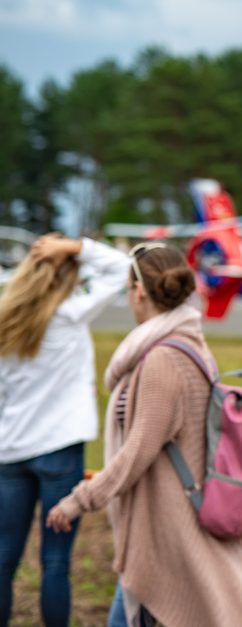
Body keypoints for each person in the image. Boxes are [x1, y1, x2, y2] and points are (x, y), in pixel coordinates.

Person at [45, 243, 242, 626]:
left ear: (138, 291)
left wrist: (80, 500)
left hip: (169, 530)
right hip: (167, 525)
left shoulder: (162, 360)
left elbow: (137, 451)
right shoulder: (188, 345)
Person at [0, 234, 129, 627]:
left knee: (4, 559)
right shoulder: (70, 315)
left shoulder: (4, 320)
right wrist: (75, 248)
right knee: (55, 563)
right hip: (59, 450)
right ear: (67, 276)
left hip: (9, 452)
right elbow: (123, 268)